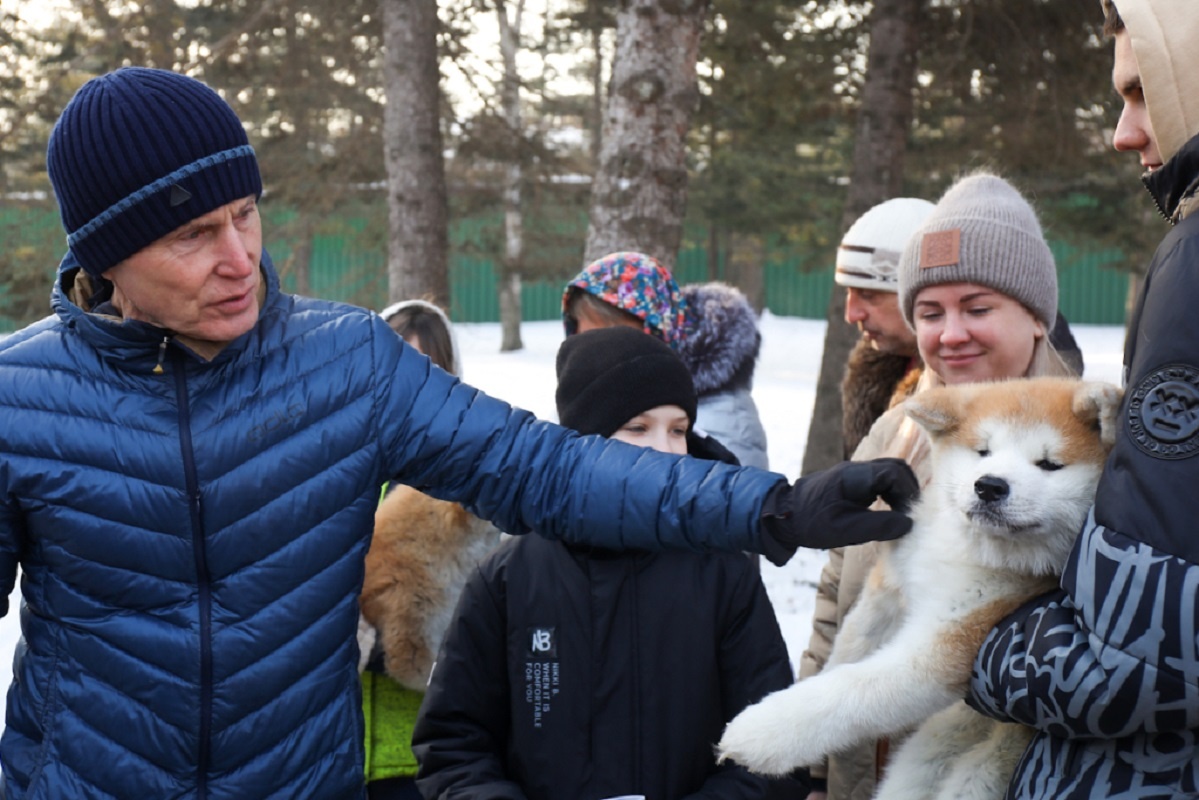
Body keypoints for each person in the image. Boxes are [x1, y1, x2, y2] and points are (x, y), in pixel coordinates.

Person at [0, 66, 917, 798]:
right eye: (194, 235)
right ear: (104, 253)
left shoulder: (346, 363)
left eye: (246, 214)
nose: (242, 259)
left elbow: (542, 468)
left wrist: (771, 506)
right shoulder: (21, 398)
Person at [411, 326, 808, 800]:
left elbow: (776, 749)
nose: (664, 449)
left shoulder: (722, 573)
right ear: (584, 444)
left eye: (678, 429)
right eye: (637, 427)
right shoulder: (509, 578)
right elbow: (454, 747)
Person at [965, 3, 1199, 797]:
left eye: (1142, 92)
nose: (1122, 132)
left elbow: (1137, 657)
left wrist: (969, 644)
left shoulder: (1195, 259)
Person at [800, 170, 1078, 800]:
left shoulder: (1083, 449)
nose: (951, 334)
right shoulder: (896, 431)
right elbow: (835, 594)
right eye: (930, 312)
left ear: (1036, 317)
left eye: (978, 308)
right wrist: (817, 769)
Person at [358, 299, 500, 800]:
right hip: (334, 747)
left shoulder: (470, 489)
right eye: (397, 369)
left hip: (428, 752)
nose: (411, 392)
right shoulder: (336, 471)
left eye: (430, 373)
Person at [563, 250, 771, 468]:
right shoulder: (589, 397)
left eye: (618, 340)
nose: (597, 356)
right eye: (585, 341)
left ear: (660, 332)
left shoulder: (721, 425)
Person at [835, 197, 935, 458]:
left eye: (869, 294)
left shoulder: (982, 390)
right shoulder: (874, 377)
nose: (851, 313)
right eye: (849, 292)